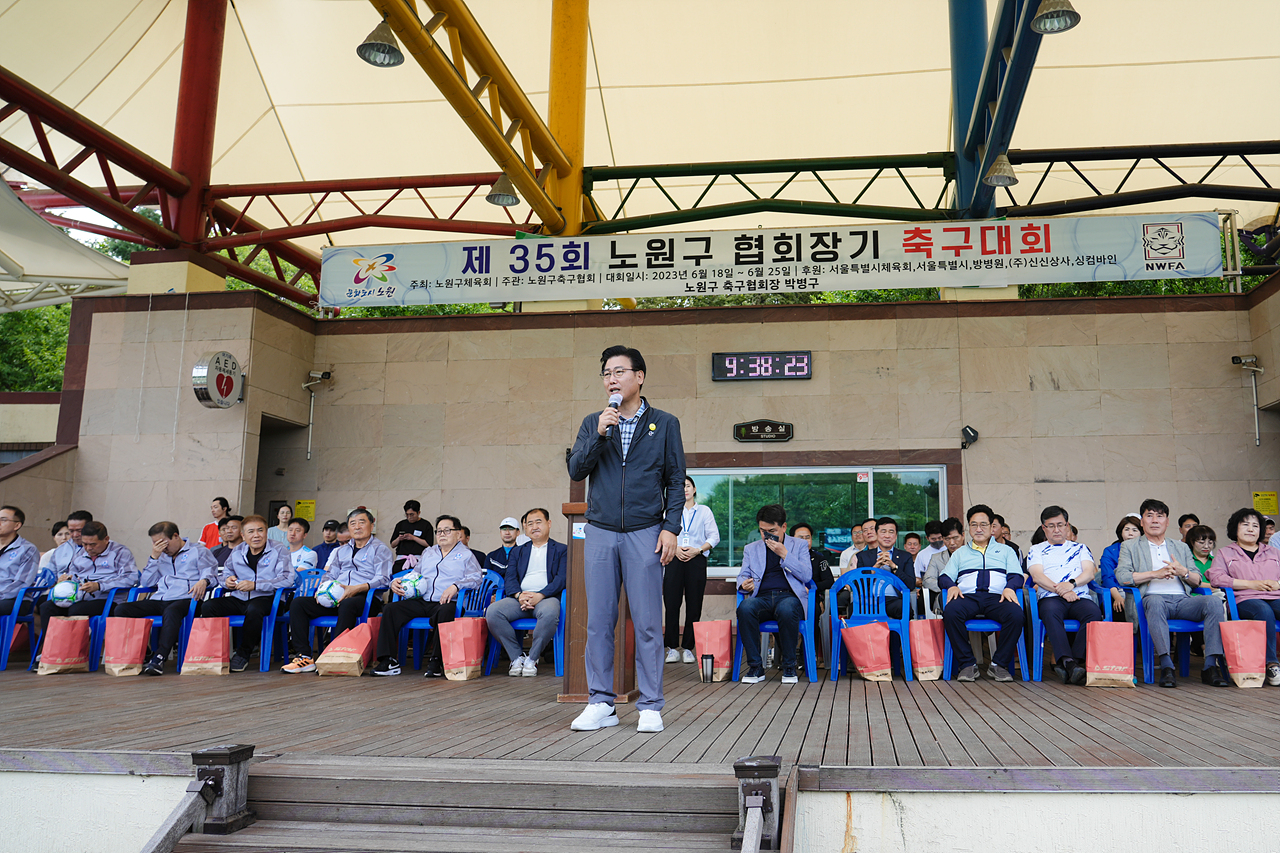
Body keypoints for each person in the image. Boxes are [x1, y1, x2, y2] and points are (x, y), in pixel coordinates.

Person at [566, 345, 684, 735]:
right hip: (599, 530)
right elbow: (577, 468)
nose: (611, 379)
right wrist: (600, 434)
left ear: (640, 377)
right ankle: (600, 702)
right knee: (599, 621)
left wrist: (670, 527)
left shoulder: (665, 423)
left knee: (649, 622)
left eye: (619, 371)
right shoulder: (593, 422)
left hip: (646, 531)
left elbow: (674, 481)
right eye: (606, 374)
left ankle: (650, 704)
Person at [1115, 498, 1227, 688]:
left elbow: (1198, 579)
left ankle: (1210, 667)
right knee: (1156, 601)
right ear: (1142, 522)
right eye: (1149, 516)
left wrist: (1182, 571)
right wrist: (1154, 574)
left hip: (1183, 601)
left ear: (1167, 521)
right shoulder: (1130, 546)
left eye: (1160, 516)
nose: (1155, 520)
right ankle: (1167, 666)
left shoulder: (1181, 547)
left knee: (1214, 603)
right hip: (1151, 601)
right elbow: (1122, 576)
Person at [282, 508, 392, 674]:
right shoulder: (342, 550)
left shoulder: (380, 549)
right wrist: (321, 591)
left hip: (365, 598)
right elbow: (329, 575)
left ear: (372, 524)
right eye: (352, 523)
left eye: (362, 522)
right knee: (299, 604)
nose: (357, 527)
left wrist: (357, 588)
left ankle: (335, 655)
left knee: (348, 605)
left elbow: (384, 579)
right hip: (335, 596)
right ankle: (303, 656)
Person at [372, 515, 481, 678]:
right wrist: (398, 581)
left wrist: (456, 586)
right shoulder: (428, 552)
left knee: (445, 612)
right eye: (439, 531)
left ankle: (436, 661)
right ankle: (388, 661)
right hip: (423, 601)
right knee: (390, 609)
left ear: (458, 534)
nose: (442, 534)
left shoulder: (466, 555)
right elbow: (415, 574)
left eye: (447, 530)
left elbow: (476, 578)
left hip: (448, 602)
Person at [114, 522, 218, 676]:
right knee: (122, 609)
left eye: (163, 542)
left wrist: (204, 581)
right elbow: (147, 583)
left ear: (176, 536)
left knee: (171, 611)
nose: (162, 547)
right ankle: (146, 652)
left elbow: (213, 575)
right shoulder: (160, 556)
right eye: (156, 543)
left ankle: (159, 657)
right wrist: (154, 558)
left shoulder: (198, 551)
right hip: (161, 598)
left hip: (187, 599)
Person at [938, 504, 1024, 682]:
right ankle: (968, 664)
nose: (978, 529)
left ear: (992, 527)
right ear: (968, 527)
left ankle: (998, 665)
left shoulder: (1006, 551)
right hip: (967, 597)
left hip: (997, 597)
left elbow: (1017, 575)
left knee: (1016, 614)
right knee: (951, 612)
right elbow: (944, 577)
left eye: (983, 524)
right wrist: (952, 586)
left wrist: (1010, 587)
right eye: (973, 524)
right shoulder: (960, 553)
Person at [201, 514, 295, 672]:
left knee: (254, 609)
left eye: (260, 530)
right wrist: (228, 581)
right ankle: (216, 653)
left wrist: (256, 585)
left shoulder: (279, 549)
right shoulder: (238, 550)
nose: (256, 535)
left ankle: (243, 654)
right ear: (243, 536)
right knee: (208, 606)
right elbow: (224, 575)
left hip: (269, 599)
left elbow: (287, 579)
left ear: (266, 532)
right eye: (251, 532)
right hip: (240, 597)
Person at [1025, 506, 1102, 685]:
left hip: (1079, 596)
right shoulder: (1036, 549)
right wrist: (1061, 591)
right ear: (1044, 528)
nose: (1057, 530)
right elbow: (1037, 576)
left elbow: (1089, 573)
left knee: (1093, 613)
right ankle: (1069, 663)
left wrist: (1072, 585)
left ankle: (1072, 662)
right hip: (1050, 598)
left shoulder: (1081, 548)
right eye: (1051, 526)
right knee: (1051, 612)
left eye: (1060, 525)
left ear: (1067, 526)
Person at [735, 504, 812, 685]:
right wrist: (743, 584)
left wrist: (785, 554)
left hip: (788, 597)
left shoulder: (799, 545)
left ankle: (789, 666)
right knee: (745, 607)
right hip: (761, 598)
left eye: (772, 530)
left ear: (783, 527)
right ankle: (755, 667)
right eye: (762, 531)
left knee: (787, 609)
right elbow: (742, 575)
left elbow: (807, 576)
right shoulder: (751, 548)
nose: (766, 535)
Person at [485, 508, 566, 677]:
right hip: (519, 599)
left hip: (546, 598)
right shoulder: (518, 550)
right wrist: (518, 595)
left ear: (549, 524)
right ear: (525, 528)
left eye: (538, 522)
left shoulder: (561, 550)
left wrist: (540, 595)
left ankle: (532, 658)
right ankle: (516, 658)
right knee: (493, 612)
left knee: (551, 613)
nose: (534, 526)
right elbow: (510, 578)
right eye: (530, 523)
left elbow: (561, 579)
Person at [1208, 508, 1280, 686]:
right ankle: (1271, 664)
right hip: (1244, 600)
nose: (1251, 529)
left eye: (1255, 525)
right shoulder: (1226, 553)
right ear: (1235, 528)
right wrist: (1249, 584)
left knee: (1270, 608)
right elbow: (1216, 577)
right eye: (1245, 524)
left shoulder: (1273, 552)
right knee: (1264, 610)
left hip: (1275, 596)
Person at [37, 521, 139, 632]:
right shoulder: (81, 553)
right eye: (85, 544)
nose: (88, 548)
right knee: (47, 607)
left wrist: (100, 586)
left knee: (76, 610)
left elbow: (131, 577)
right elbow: (73, 573)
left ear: (106, 539)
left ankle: (75, 646)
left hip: (107, 600)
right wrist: (67, 580)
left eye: (93, 544)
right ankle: (52, 645)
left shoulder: (120, 552)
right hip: (79, 597)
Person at [665, 476, 720, 663]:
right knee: (672, 604)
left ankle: (688, 647)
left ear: (694, 489)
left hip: (696, 560)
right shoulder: (670, 511)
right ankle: (672, 647)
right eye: (681, 487)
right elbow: (661, 533)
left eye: (687, 486)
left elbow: (714, 537)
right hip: (674, 558)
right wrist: (676, 548)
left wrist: (698, 550)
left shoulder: (704, 511)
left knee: (694, 604)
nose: (684, 490)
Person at [790, 522, 835, 665]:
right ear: (792, 540)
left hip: (810, 599)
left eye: (807, 537)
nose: (804, 541)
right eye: (800, 537)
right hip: (787, 598)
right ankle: (787, 656)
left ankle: (807, 657)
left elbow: (829, 581)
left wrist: (812, 590)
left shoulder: (819, 558)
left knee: (813, 612)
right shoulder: (785, 557)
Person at [856, 517, 916, 618]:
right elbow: (859, 585)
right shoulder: (863, 556)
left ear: (896, 536)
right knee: (854, 609)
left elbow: (910, 584)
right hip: (869, 600)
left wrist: (894, 567)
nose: (887, 536)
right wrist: (875, 568)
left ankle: (898, 634)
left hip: (893, 600)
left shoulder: (905, 556)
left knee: (904, 608)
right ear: (876, 534)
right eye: (883, 532)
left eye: (891, 532)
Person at [0, 506, 40, 624]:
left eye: (3, 520)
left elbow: (22, 583)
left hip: (15, 599)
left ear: (17, 525)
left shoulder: (28, 549)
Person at [1099, 514, 1142, 619]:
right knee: (1118, 606)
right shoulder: (1110, 551)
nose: (1130, 533)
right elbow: (1107, 577)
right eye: (1127, 529)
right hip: (1117, 591)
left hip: (1142, 591)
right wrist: (1117, 597)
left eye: (1135, 530)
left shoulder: (1146, 550)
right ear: (1121, 532)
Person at [923, 517, 966, 613]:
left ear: (963, 535)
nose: (952, 543)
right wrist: (950, 587)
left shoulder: (973, 555)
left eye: (955, 538)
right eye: (947, 539)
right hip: (945, 598)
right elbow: (927, 580)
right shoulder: (936, 558)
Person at [45, 510, 93, 577]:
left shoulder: (101, 548)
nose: (75, 535)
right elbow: (48, 575)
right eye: (71, 531)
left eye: (79, 531)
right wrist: (55, 582)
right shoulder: (61, 549)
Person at [389, 500, 433, 571]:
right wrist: (399, 539)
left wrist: (414, 538)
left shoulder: (426, 525)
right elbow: (392, 544)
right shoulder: (400, 524)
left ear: (419, 513)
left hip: (418, 559)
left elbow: (429, 544)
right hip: (402, 559)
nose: (409, 517)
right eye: (407, 514)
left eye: (412, 514)